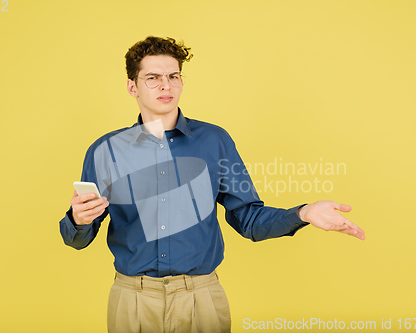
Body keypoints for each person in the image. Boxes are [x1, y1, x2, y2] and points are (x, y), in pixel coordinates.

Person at [59, 36, 365, 333]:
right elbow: (78, 238)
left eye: (173, 76)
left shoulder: (215, 141)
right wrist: (78, 219)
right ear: (132, 86)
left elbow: (249, 219)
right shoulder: (106, 151)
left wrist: (304, 212)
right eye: (152, 77)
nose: (166, 85)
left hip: (201, 299)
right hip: (132, 301)